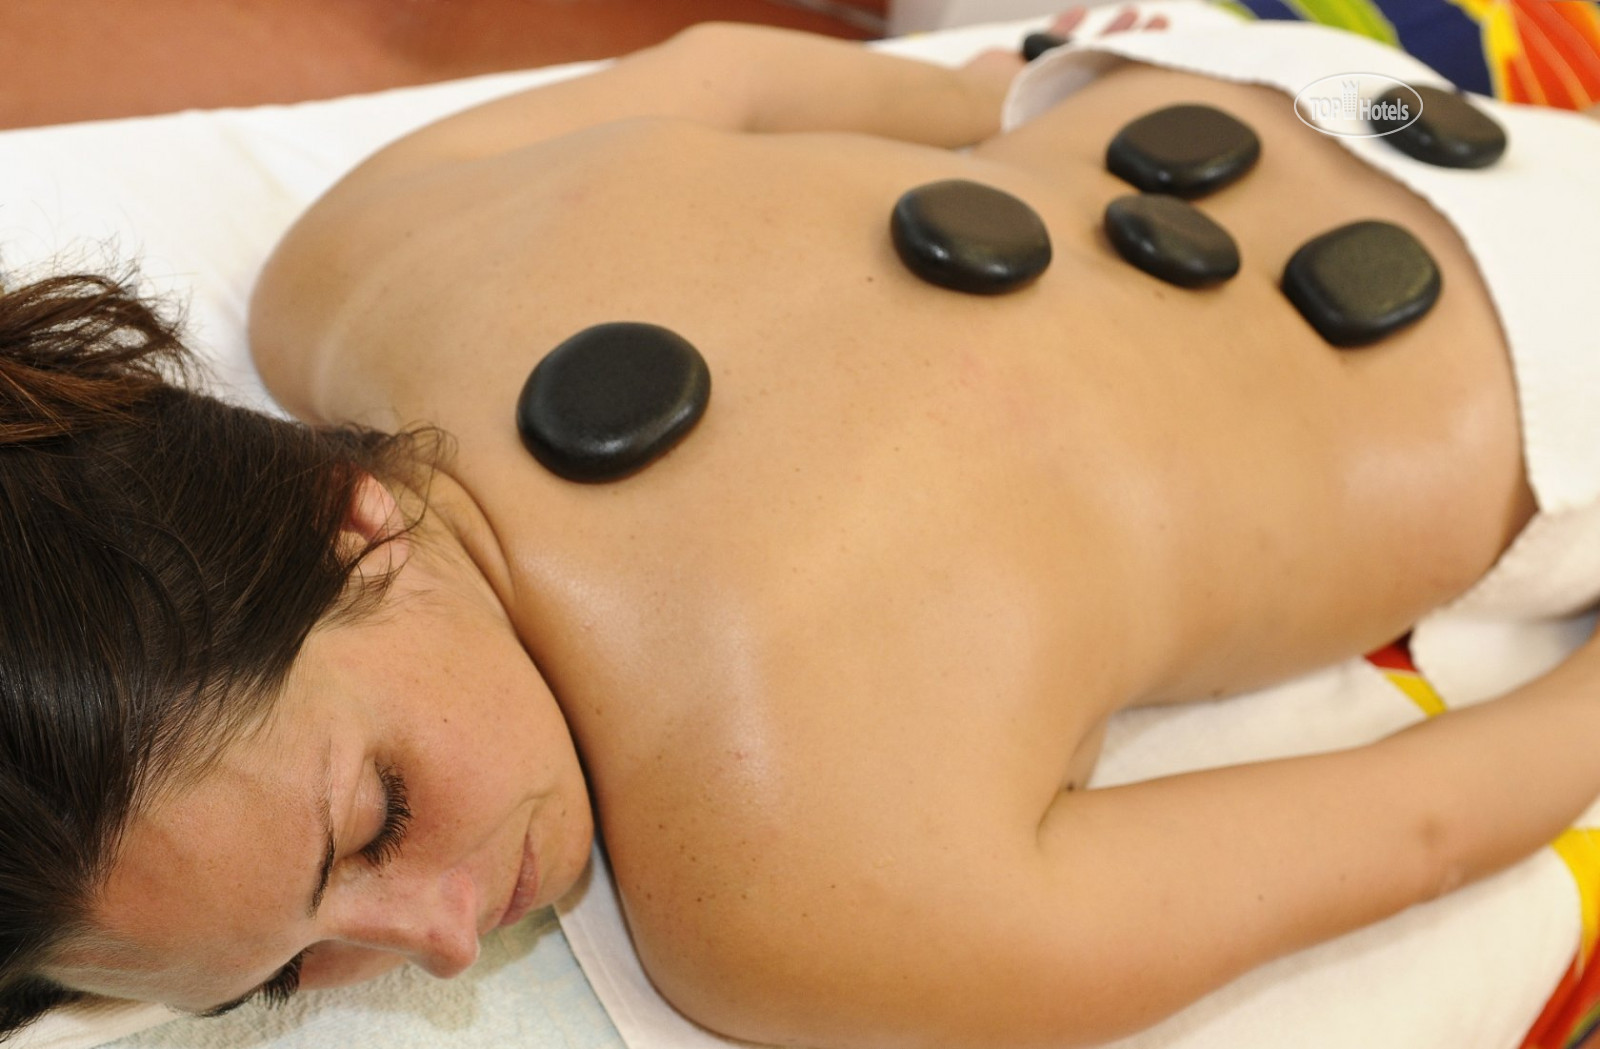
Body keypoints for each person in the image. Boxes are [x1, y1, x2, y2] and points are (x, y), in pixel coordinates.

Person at [4, 11, 1600, 1048]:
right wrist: (974, 96)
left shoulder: (776, 899)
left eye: (376, 819)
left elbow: (1419, 826)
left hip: (1544, 348)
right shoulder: (348, 261)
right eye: (289, 971)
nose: (435, 940)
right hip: (1216, 76)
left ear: (347, 528)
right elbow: (726, 68)